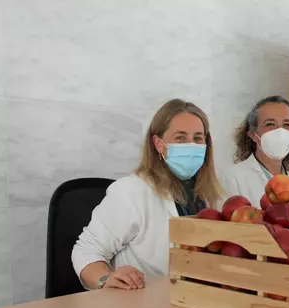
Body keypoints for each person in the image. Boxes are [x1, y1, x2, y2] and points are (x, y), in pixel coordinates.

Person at [72, 99, 222, 290]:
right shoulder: (131, 191)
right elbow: (86, 250)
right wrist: (105, 278)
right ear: (158, 144)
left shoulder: (213, 194)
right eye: (180, 138)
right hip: (144, 305)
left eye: (198, 138)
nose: (191, 145)